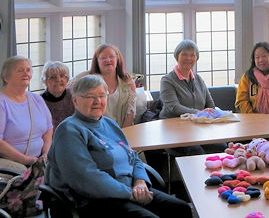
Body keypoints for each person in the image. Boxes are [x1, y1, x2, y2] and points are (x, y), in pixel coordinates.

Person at [45, 75, 192, 218]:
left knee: (180, 209)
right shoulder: (69, 131)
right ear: (75, 101)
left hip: (129, 188)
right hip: (94, 199)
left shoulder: (110, 124)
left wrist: (140, 182)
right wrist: (129, 193)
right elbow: (86, 178)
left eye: (102, 96)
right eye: (90, 97)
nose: (98, 101)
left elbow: (133, 157)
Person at [159, 39, 224, 156]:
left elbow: (210, 104)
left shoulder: (198, 79)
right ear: (177, 56)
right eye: (184, 54)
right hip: (174, 130)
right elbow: (174, 107)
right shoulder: (167, 80)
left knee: (222, 146)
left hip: (198, 128)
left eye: (192, 55)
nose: (189, 58)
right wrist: (198, 112)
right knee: (195, 151)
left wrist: (209, 111)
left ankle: (215, 174)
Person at [0, 56, 53, 166]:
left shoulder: (37, 99)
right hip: (10, 164)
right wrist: (25, 160)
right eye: (20, 70)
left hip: (39, 161)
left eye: (28, 70)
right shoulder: (2, 102)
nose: (26, 73)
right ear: (6, 77)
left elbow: (48, 129)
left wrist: (45, 154)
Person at [72, 44, 136, 127]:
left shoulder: (127, 81)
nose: (108, 60)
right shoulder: (85, 78)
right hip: (92, 130)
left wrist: (121, 133)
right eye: (103, 58)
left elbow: (130, 112)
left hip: (119, 130)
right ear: (97, 61)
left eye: (111, 57)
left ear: (117, 59)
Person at [236, 42, 269, 114]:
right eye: (257, 57)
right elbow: (241, 101)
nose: (261, 60)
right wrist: (253, 117)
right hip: (252, 120)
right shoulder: (247, 77)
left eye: (264, 56)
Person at [41, 61, 74, 130]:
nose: (58, 80)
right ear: (45, 81)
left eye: (62, 76)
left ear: (67, 79)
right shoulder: (39, 101)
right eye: (53, 77)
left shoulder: (74, 95)